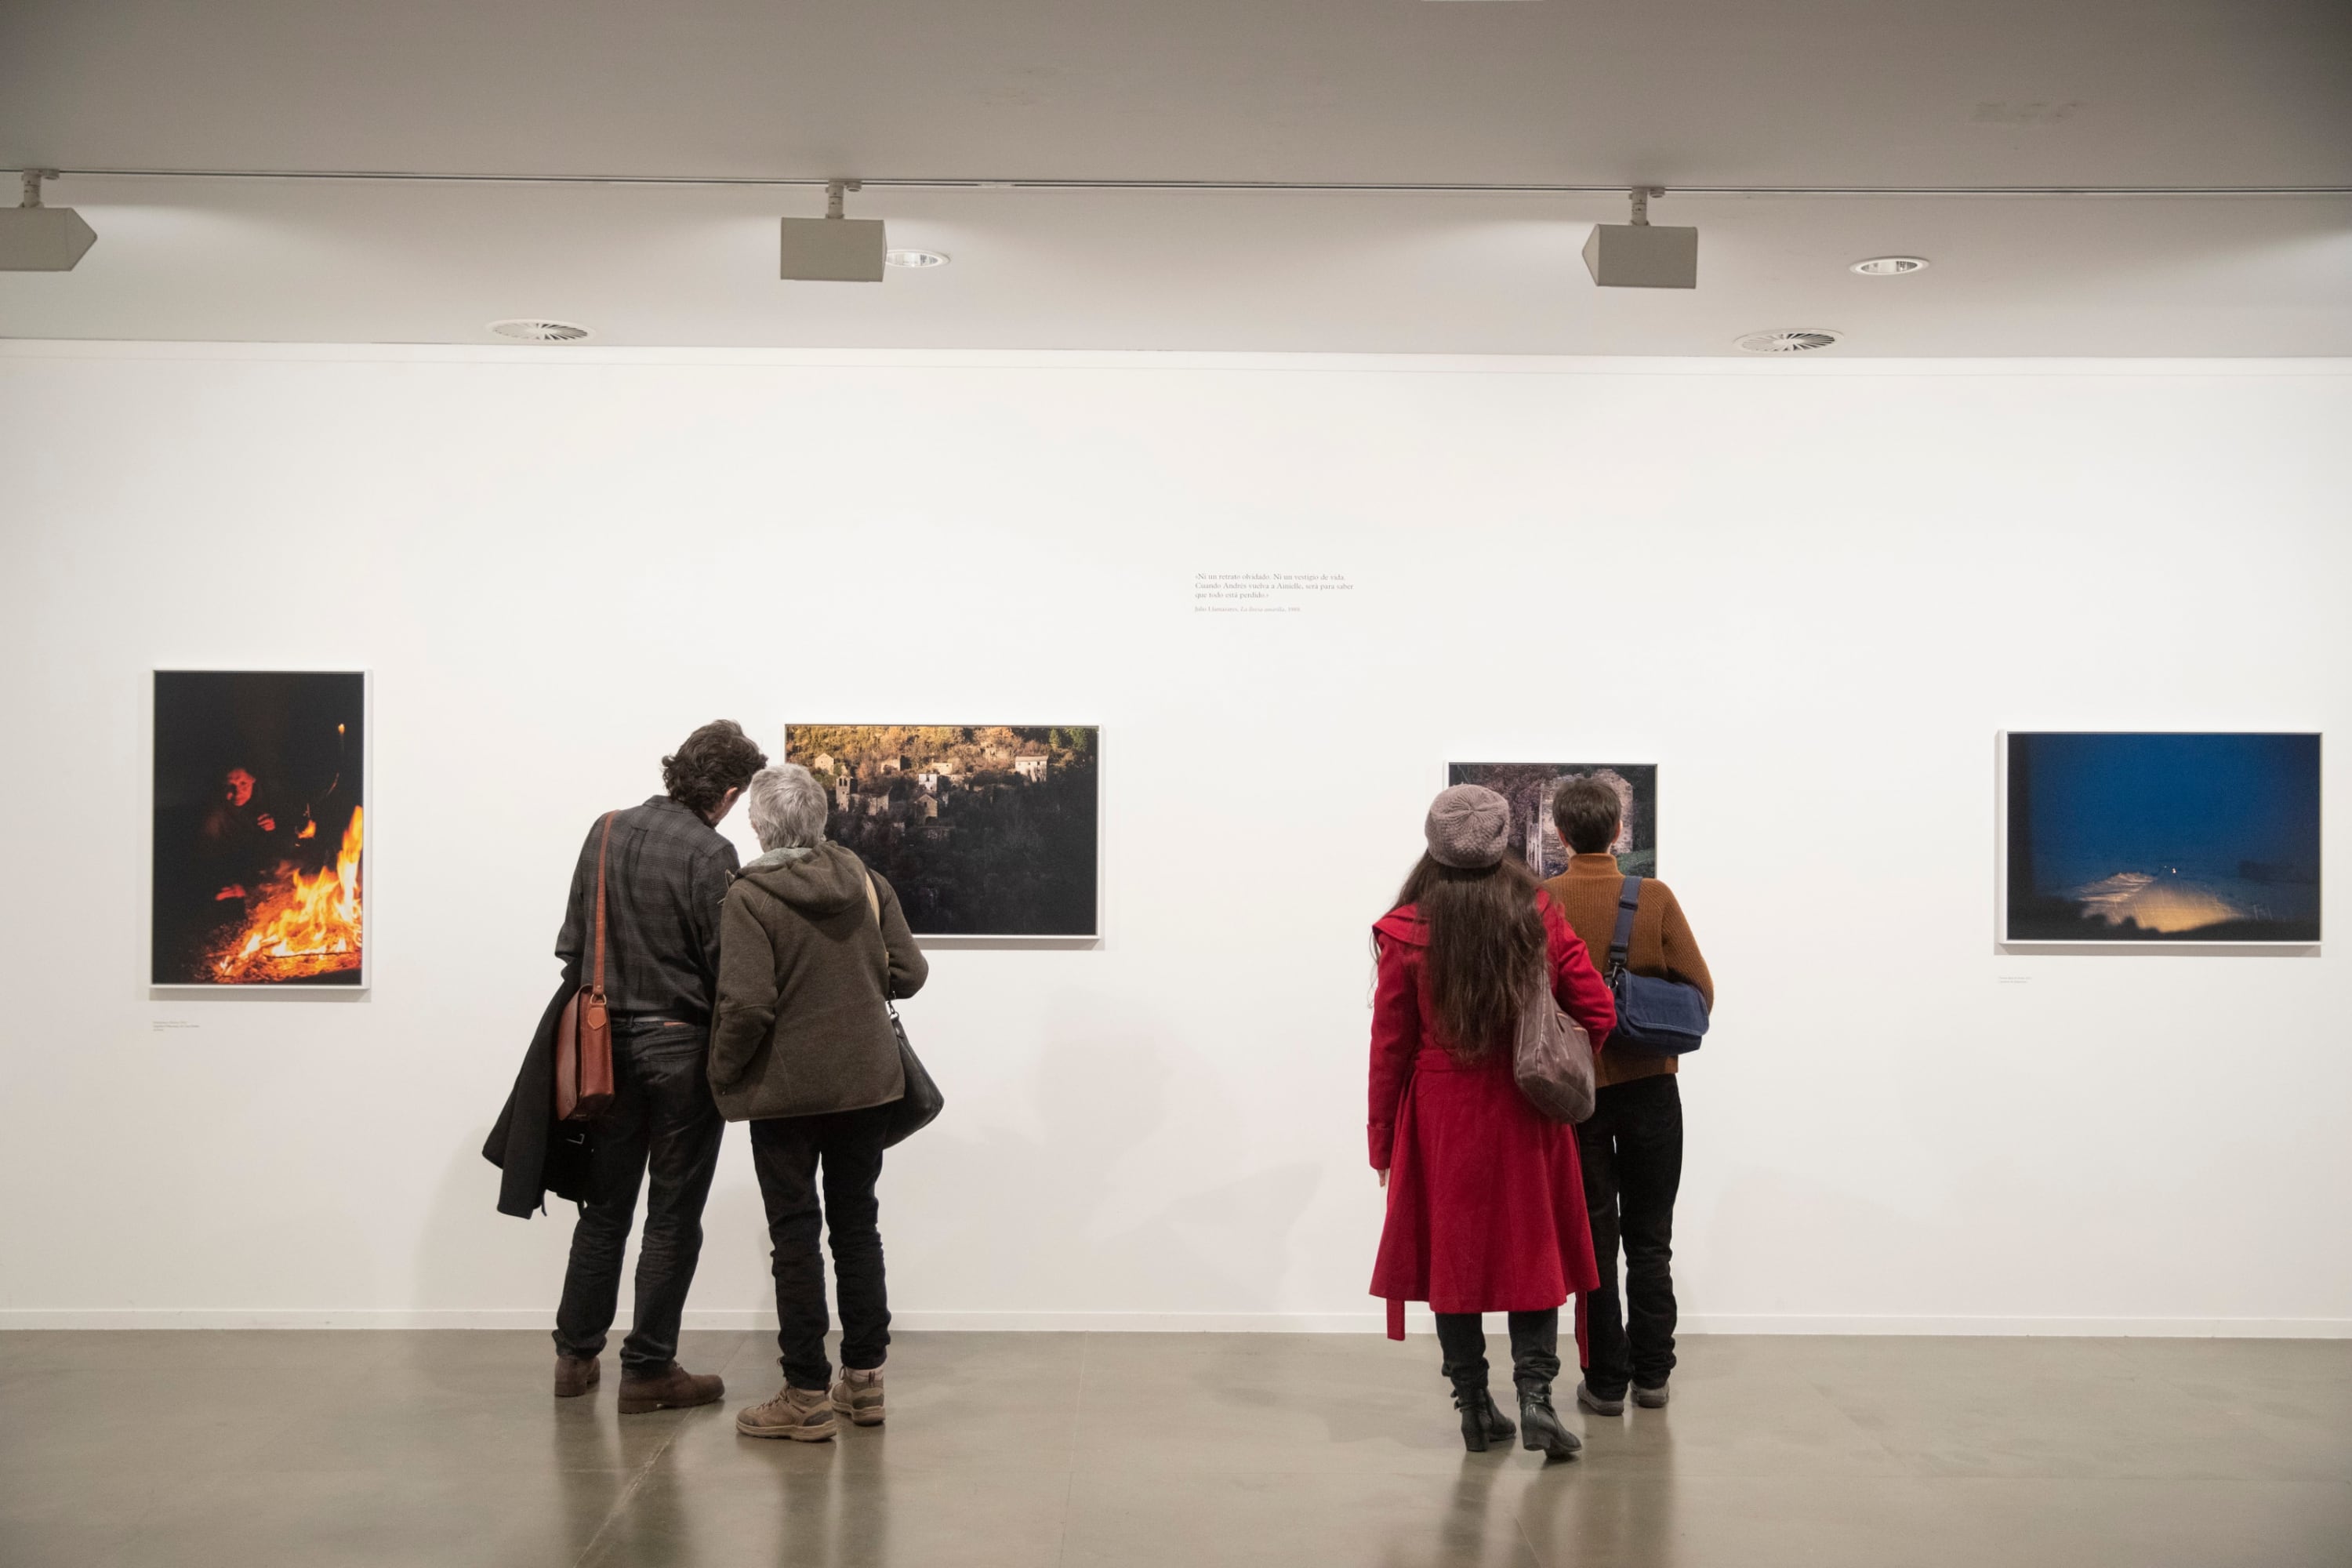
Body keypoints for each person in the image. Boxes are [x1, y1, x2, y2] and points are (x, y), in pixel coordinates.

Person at [1369, 784, 1617, 1460]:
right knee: (1532, 1254)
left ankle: (1475, 1409)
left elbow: (1389, 1050)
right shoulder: (1539, 914)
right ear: (1501, 840)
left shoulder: (1405, 932)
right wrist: (1564, 1062)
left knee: (1454, 1262)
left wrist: (1382, 1144)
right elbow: (1597, 1009)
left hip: (1440, 1117)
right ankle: (1537, 1401)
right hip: (1526, 1110)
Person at [549, 719, 768, 1414]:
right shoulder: (712, 852)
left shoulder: (605, 829)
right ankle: (647, 1370)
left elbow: (572, 945)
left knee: (604, 1209)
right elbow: (729, 969)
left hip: (603, 1050)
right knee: (672, 1216)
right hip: (680, 1051)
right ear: (727, 794)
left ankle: (575, 1358)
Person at [709, 764, 928, 1442]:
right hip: (867, 1084)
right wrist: (855, 980)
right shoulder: (865, 881)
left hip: (786, 1094)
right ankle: (864, 1381)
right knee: (857, 1227)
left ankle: (805, 1392)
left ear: (760, 825)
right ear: (820, 819)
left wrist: (721, 1074)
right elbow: (910, 972)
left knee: (795, 1236)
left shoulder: (749, 897)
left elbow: (748, 1005)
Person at [1541, 775, 1715, 1417]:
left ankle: (1606, 1383)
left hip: (1574, 1093)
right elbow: (1700, 990)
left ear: (1561, 833)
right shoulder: (1654, 896)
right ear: (1619, 831)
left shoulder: (1541, 901)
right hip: (1651, 1089)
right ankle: (1653, 1376)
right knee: (1650, 1240)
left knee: (1594, 1242)